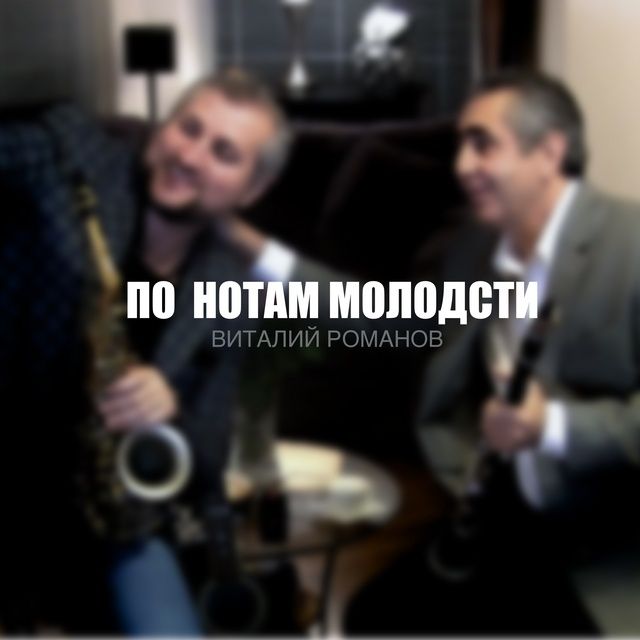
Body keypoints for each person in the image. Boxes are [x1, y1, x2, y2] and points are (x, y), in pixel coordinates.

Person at [0, 68, 297, 635]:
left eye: (224, 153)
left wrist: (172, 407)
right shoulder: (79, 165)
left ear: (251, 189)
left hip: (116, 520)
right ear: (162, 127)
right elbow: (23, 146)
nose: (189, 156)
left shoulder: (230, 287)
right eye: (188, 128)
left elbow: (208, 459)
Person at [343, 70, 640, 635]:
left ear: (549, 152)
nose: (462, 166)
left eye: (483, 144)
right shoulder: (474, 250)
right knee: (371, 616)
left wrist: (551, 426)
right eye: (461, 145)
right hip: (499, 529)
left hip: (604, 554)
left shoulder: (632, 243)